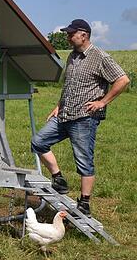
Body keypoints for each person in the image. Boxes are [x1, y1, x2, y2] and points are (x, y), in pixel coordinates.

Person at [31, 19, 130, 217]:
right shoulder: (72, 58)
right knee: (38, 141)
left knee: (84, 160)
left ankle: (84, 203)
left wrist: (103, 102)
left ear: (83, 35)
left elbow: (123, 80)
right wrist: (58, 106)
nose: (68, 37)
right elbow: (69, 85)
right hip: (64, 115)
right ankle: (58, 178)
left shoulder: (100, 57)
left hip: (84, 118)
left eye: (71, 34)